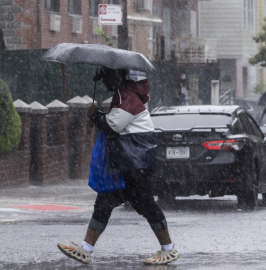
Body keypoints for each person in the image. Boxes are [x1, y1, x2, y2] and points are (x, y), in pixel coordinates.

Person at [56, 67, 179, 265]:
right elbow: (116, 123)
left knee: (146, 204)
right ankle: (85, 249)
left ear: (118, 75)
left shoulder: (127, 95)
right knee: (104, 202)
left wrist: (96, 115)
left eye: (106, 77)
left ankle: (169, 249)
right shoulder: (122, 95)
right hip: (128, 163)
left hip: (136, 163)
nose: (104, 82)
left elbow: (113, 125)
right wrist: (99, 116)